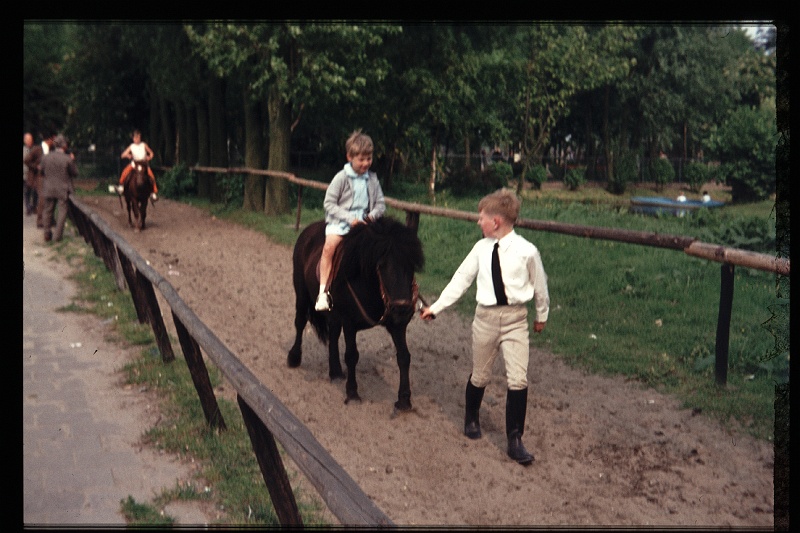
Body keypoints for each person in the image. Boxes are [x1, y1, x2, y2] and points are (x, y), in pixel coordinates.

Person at [420, 189, 549, 465]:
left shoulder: (527, 251)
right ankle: (471, 417)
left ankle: (515, 438)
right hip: (485, 320)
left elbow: (540, 286)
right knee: (480, 375)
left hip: (515, 320)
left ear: (496, 221)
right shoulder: (480, 250)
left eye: (482, 218)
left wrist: (541, 315)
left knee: (518, 379)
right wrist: (436, 307)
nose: (478, 222)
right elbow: (461, 280)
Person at [315, 130, 386, 312]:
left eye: (369, 158)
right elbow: (329, 203)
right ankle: (323, 292)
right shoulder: (341, 178)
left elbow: (380, 204)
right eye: (361, 159)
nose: (366, 163)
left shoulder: (372, 179)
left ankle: (391, 291)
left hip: (365, 224)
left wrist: (370, 217)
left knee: (386, 248)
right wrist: (349, 219)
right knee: (329, 248)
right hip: (341, 223)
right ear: (350, 157)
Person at [39, 134, 78, 243]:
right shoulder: (67, 159)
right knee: (62, 212)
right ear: (64, 146)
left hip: (48, 188)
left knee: (47, 211)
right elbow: (75, 173)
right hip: (62, 189)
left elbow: (41, 172)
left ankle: (47, 233)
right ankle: (57, 237)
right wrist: (72, 160)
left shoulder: (45, 157)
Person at [116, 129, 158, 201]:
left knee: (151, 175)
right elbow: (123, 155)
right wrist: (128, 155)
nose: (137, 139)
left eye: (138, 137)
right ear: (133, 138)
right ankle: (121, 186)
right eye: (135, 137)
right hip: (135, 164)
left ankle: (153, 192)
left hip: (143, 164)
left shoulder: (143, 145)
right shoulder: (131, 146)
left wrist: (149, 157)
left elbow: (151, 153)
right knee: (125, 172)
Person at [24, 133, 55, 228]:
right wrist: (36, 167)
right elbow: (26, 160)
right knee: (42, 198)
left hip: (49, 177)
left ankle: (50, 219)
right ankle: (40, 220)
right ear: (49, 140)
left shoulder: (52, 149)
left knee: (50, 198)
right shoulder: (37, 149)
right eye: (53, 139)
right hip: (39, 177)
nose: (54, 141)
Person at [23, 132, 37, 216]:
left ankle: (34, 206)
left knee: (35, 191)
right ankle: (28, 207)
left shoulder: (35, 149)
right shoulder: (23, 150)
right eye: (28, 140)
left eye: (31, 139)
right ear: (24, 140)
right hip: (26, 174)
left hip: (34, 174)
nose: (29, 141)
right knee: (27, 192)